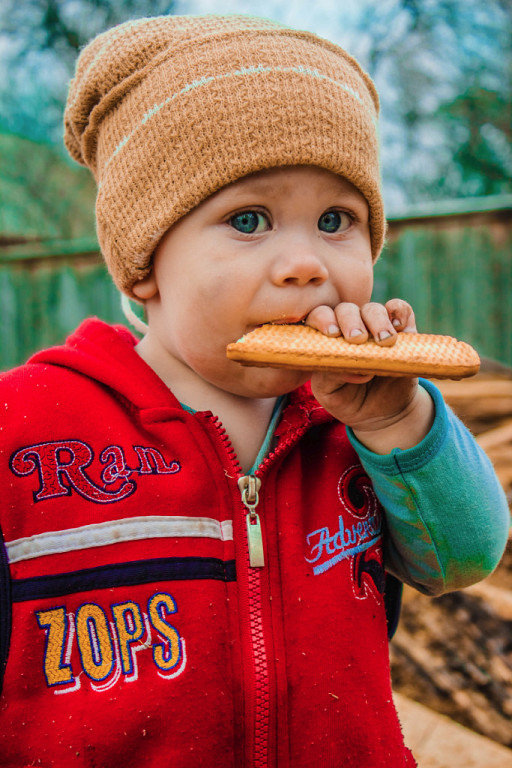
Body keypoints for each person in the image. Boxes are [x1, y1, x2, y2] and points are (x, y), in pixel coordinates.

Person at [0, 13, 508, 768]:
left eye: (336, 220)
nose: (304, 262)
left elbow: (464, 557)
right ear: (144, 262)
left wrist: (395, 415)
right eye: (248, 219)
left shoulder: (361, 422)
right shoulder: (26, 425)